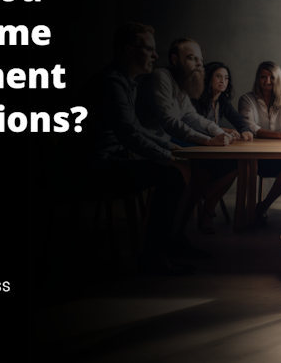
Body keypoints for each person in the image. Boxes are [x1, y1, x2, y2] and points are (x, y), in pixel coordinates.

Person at [78, 23, 198, 275]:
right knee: (172, 175)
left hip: (111, 162)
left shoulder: (126, 82)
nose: (155, 55)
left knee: (176, 167)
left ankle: (163, 247)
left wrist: (168, 146)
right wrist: (168, 159)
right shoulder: (111, 83)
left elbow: (135, 127)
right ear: (129, 50)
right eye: (149, 49)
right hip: (93, 170)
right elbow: (129, 135)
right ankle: (155, 257)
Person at [137, 39, 239, 235]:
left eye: (200, 60)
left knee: (202, 170)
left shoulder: (180, 85)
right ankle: (173, 239)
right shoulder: (161, 77)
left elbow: (193, 118)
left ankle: (179, 235)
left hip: (166, 147)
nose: (199, 64)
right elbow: (171, 124)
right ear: (175, 60)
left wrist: (218, 133)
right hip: (148, 151)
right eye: (192, 59)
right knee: (193, 171)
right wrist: (209, 140)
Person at [191, 62, 253, 232]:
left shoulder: (222, 101)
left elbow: (239, 120)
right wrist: (226, 130)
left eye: (226, 78)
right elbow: (196, 126)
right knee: (212, 168)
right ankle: (208, 207)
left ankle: (209, 202)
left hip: (214, 151)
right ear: (208, 78)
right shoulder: (197, 99)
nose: (222, 81)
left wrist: (245, 131)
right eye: (218, 76)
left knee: (241, 163)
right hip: (197, 152)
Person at [239, 61, 281, 223]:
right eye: (263, 77)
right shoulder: (247, 99)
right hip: (254, 157)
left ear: (278, 79)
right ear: (257, 79)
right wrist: (279, 135)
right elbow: (249, 127)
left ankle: (263, 206)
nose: (267, 81)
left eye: (272, 77)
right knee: (247, 167)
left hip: (276, 155)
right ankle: (249, 213)